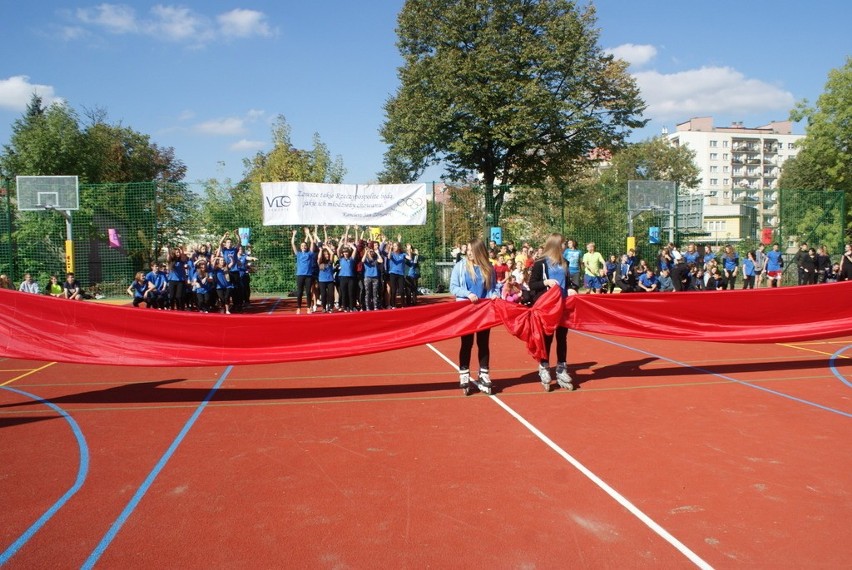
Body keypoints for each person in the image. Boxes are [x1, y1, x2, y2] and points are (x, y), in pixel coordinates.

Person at [449, 238, 498, 391]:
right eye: (468, 250)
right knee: (467, 343)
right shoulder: (460, 266)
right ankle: (464, 373)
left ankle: (484, 373)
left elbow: (493, 288)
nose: (469, 253)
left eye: (472, 250)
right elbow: (453, 287)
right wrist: (467, 293)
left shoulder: (488, 268)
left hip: (483, 311)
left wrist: (494, 295)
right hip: (466, 311)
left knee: (483, 343)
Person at [529, 233, 575, 391]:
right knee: (547, 337)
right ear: (556, 245)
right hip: (547, 307)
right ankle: (544, 366)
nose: (565, 247)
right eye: (563, 244)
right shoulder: (540, 263)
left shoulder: (565, 263)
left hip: (563, 305)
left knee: (562, 338)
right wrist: (545, 282)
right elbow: (532, 284)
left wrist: (570, 289)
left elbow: (569, 283)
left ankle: (562, 368)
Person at [291, 227, 317, 314]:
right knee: (299, 292)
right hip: (300, 275)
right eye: (302, 246)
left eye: (305, 245)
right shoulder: (298, 254)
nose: (304, 247)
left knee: (308, 292)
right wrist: (294, 235)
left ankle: (308, 307)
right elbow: (293, 243)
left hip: (308, 275)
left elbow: (312, 242)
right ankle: (298, 308)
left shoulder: (309, 253)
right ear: (300, 247)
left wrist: (308, 233)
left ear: (307, 247)